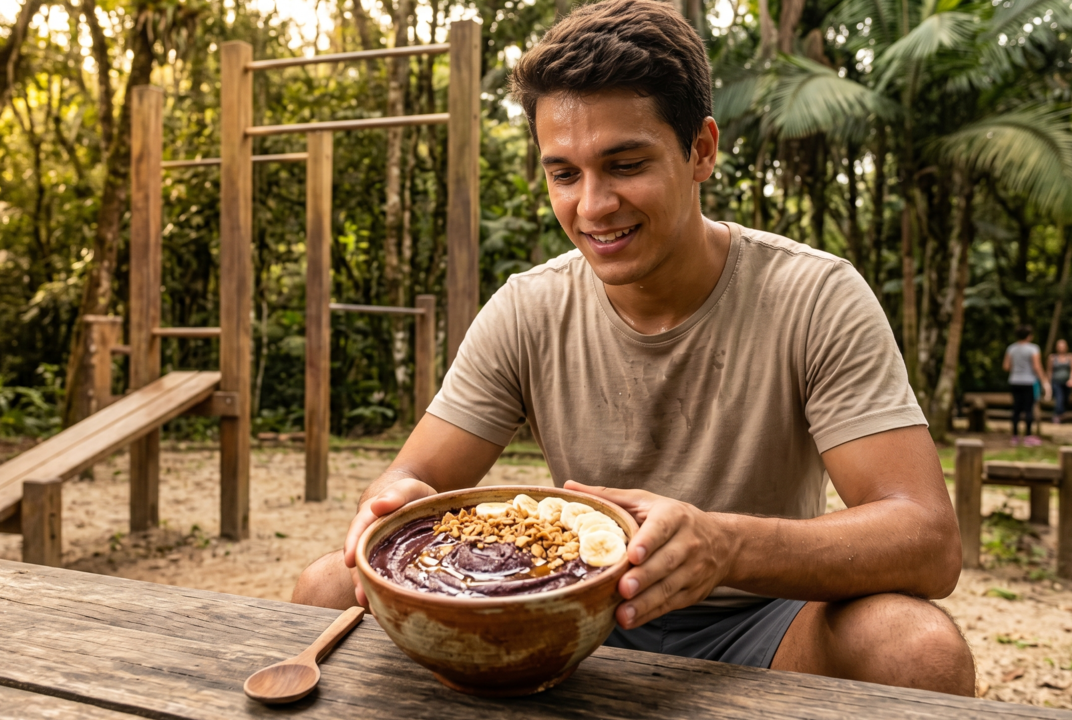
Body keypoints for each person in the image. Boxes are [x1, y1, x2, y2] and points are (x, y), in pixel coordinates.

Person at [293, 0, 973, 696]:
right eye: (564, 174)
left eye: (624, 164)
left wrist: (723, 546)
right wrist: (393, 502)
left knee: (916, 649)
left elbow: (927, 540)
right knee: (325, 589)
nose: (592, 206)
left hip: (768, 623)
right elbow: (413, 481)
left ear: (701, 150)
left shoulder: (815, 296)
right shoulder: (528, 307)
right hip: (571, 612)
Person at [1003, 326, 1047, 445]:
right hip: (1029, 382)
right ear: (1029, 336)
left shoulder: (1011, 348)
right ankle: (1028, 436)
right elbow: (1036, 366)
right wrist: (1044, 380)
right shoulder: (1033, 348)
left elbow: (1006, 366)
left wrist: (1017, 369)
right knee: (1028, 409)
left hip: (1014, 381)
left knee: (1016, 409)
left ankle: (1015, 436)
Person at [1049, 339, 1071, 423]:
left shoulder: (1070, 357)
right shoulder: (1052, 357)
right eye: (1059, 346)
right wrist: (1048, 384)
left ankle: (1061, 415)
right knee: (1059, 398)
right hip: (1056, 382)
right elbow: (1049, 371)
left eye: (1063, 346)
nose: (1061, 348)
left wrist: (1071, 379)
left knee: (1065, 399)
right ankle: (1057, 416)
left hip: (1067, 383)